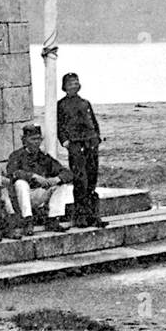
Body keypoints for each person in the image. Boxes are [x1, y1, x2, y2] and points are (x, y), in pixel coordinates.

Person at [57, 72, 106, 229]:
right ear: (64, 87)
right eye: (70, 83)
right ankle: (81, 217)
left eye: (76, 82)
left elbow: (94, 123)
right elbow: (59, 125)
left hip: (90, 143)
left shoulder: (85, 103)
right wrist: (65, 142)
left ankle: (94, 215)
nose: (74, 85)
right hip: (75, 144)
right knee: (80, 180)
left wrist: (97, 138)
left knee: (92, 179)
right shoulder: (61, 105)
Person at [6, 124, 73, 232]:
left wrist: (57, 179)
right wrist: (32, 176)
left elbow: (67, 173)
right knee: (21, 183)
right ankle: (28, 220)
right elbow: (12, 173)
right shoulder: (16, 155)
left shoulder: (44, 157)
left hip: (38, 194)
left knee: (61, 185)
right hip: (20, 197)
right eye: (33, 139)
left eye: (38, 139)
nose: (36, 142)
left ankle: (53, 219)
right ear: (24, 140)